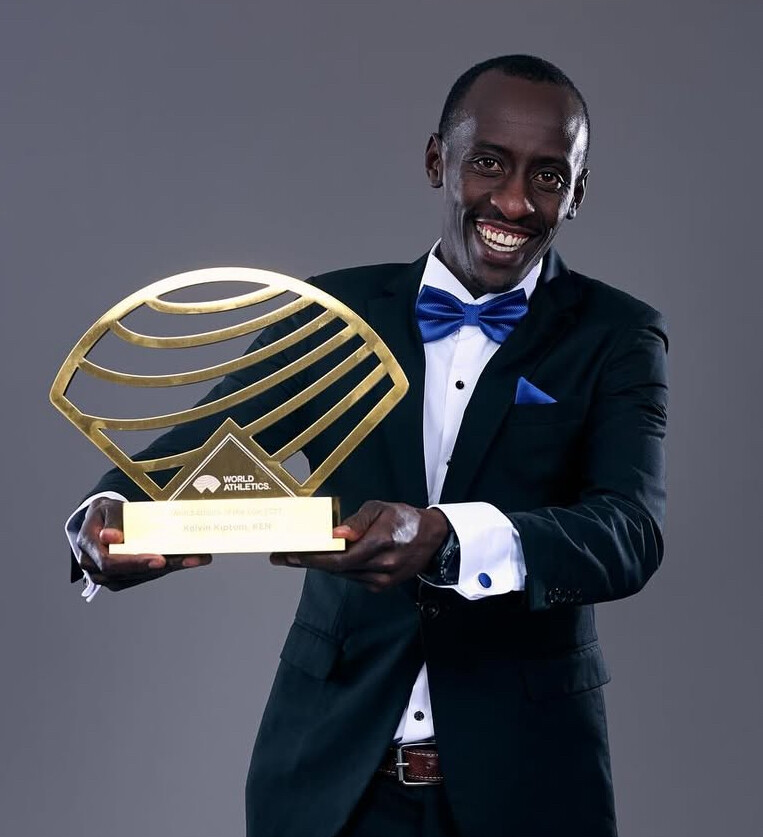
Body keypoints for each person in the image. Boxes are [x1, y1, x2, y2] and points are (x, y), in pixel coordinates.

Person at [67, 55, 668, 837]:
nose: (515, 201)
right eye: (488, 163)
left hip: (530, 786)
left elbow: (628, 532)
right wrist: (106, 519)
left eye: (548, 176)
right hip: (328, 782)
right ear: (436, 161)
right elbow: (193, 454)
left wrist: (447, 537)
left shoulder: (617, 333)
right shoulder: (333, 312)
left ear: (577, 193)